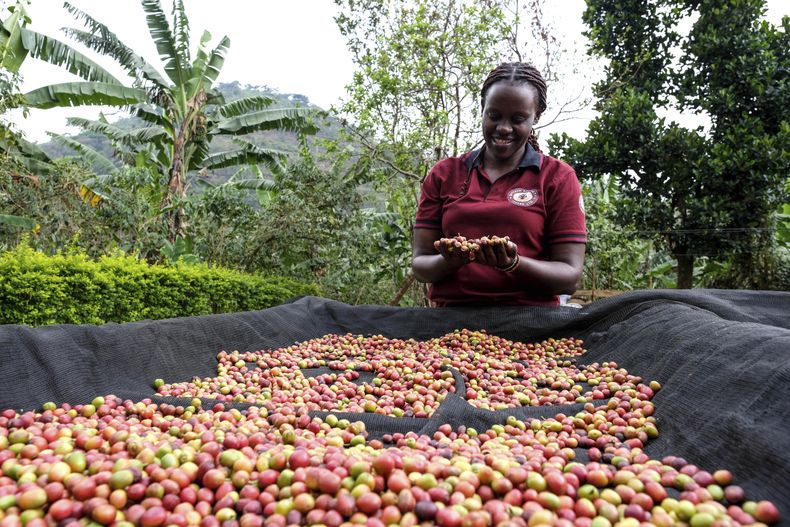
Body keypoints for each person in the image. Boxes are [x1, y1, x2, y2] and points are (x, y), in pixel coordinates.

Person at [411, 62, 586, 307]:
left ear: (536, 116)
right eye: (494, 116)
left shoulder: (557, 177)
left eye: (518, 119)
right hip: (450, 322)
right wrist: (451, 260)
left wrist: (512, 263)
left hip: (532, 323)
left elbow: (569, 277)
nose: (503, 128)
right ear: (482, 109)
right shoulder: (445, 174)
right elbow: (420, 266)